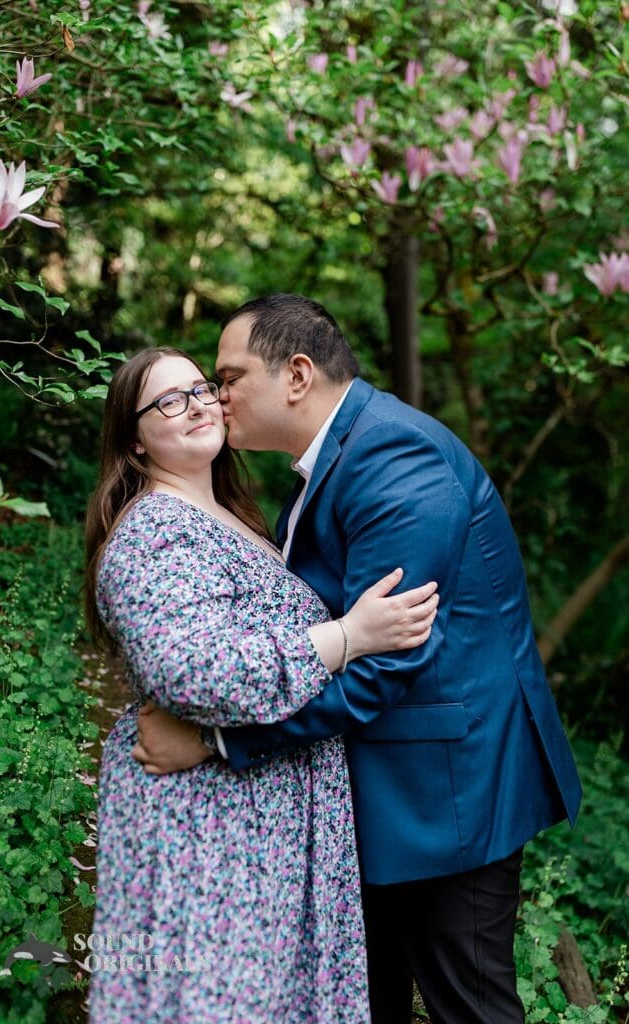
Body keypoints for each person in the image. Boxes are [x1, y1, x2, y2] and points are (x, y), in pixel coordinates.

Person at [134, 295, 583, 1024]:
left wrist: (217, 742)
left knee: (469, 1007)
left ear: (298, 375)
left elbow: (383, 665)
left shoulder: (396, 461)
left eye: (229, 376)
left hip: (447, 793)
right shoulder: (332, 462)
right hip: (387, 791)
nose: (216, 396)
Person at [84, 345, 440, 1023]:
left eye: (201, 388)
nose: (194, 405)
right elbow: (192, 672)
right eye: (167, 400)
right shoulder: (153, 532)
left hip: (250, 827)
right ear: (133, 440)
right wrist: (349, 637)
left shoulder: (240, 519)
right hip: (205, 834)